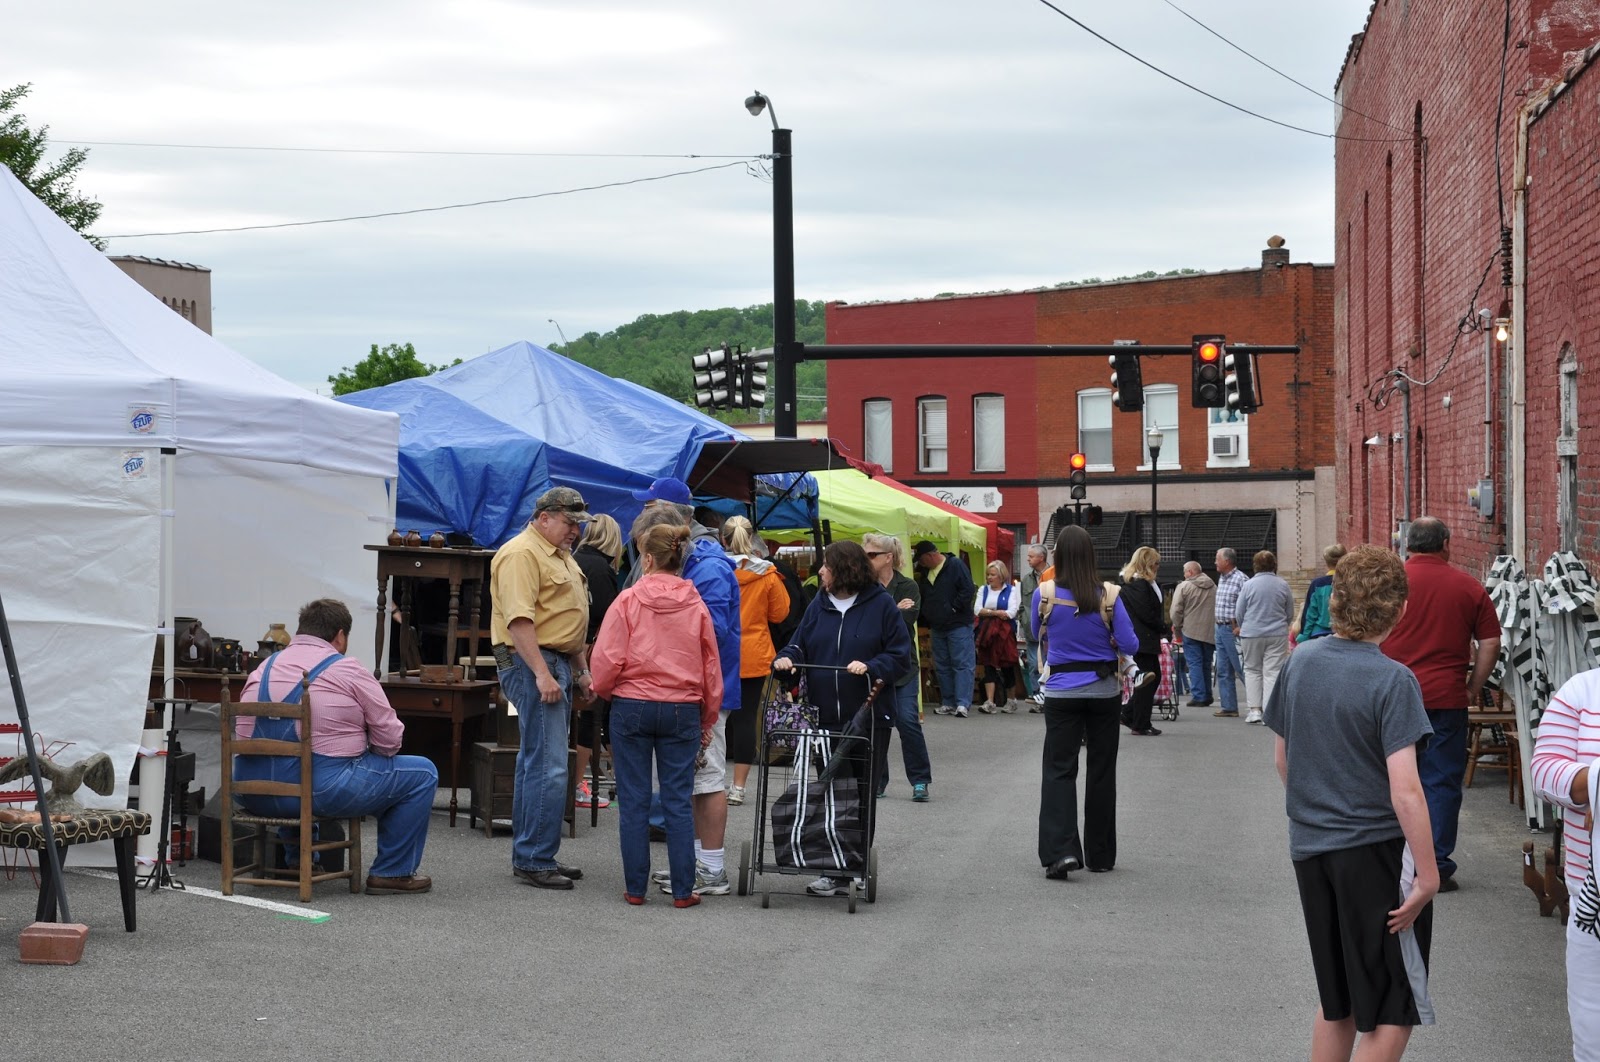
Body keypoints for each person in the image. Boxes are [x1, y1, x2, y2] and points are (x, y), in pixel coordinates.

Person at [1264, 545, 1437, 1061]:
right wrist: (1427, 875)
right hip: (1375, 855)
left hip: (1310, 847)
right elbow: (1405, 789)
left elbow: (1283, 759)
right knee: (1391, 1008)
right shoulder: (1393, 680)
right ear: (1400, 610)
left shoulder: (1301, 662)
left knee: (1337, 1000)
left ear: (1334, 601)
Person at [236, 598, 438, 894]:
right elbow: (391, 740)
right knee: (423, 774)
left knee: (290, 762)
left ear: (300, 630)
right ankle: (392, 872)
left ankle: (297, 863)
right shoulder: (348, 669)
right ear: (340, 636)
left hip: (252, 790)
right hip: (319, 791)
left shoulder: (263, 668)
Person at [590, 522, 723, 908]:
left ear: (647, 558)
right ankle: (683, 890)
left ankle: (635, 888)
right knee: (677, 799)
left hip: (632, 704)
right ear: (680, 558)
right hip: (682, 707)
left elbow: (608, 658)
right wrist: (708, 716)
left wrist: (603, 690)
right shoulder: (696, 604)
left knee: (633, 800)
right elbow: (710, 665)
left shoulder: (628, 600)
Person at [774, 540, 914, 897]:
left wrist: (871, 666)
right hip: (825, 716)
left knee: (862, 792)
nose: (820, 571)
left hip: (868, 715)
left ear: (845, 570)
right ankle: (833, 868)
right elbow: (799, 643)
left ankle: (856, 864)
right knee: (834, 790)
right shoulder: (819, 605)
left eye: (826, 566)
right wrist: (787, 659)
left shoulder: (881, 604)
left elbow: (900, 656)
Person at [1380, 517, 1501, 892]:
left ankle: (1390, 858)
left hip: (1390, 696)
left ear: (1408, 545)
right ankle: (1435, 863)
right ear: (1446, 543)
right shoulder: (1468, 587)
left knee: (1389, 777)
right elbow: (1491, 644)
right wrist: (1471, 687)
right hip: (1445, 697)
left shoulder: (1389, 584)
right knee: (1441, 781)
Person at [630, 497, 742, 899]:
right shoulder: (700, 563)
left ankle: (712, 868)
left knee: (708, 777)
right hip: (688, 689)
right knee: (693, 780)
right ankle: (698, 863)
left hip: (703, 691)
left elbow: (714, 634)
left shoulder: (708, 566)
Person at [491, 485, 591, 891]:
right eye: (569, 523)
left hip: (548, 660)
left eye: (578, 524)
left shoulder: (554, 554)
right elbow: (519, 622)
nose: (575, 531)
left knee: (538, 759)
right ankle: (535, 857)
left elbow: (567, 621)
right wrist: (541, 674)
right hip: (533, 660)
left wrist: (579, 669)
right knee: (549, 762)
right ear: (544, 517)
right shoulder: (521, 553)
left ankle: (532, 853)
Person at [1032, 525, 1138, 879]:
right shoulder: (1109, 594)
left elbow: (1036, 633)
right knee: (1102, 770)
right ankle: (1101, 854)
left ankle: (1060, 853)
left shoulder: (1044, 592)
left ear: (1057, 555)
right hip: (1103, 690)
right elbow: (1130, 644)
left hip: (1061, 692)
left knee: (1059, 770)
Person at [1531, 664, 1600, 1057]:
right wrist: (1594, 781)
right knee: (1592, 1022)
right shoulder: (1582, 691)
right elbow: (1543, 770)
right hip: (1591, 891)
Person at [720, 515, 790, 806]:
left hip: (719, 651)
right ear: (752, 540)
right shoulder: (768, 574)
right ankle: (738, 787)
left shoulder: (713, 569)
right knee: (746, 719)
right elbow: (780, 614)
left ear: (723, 539)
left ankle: (709, 782)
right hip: (754, 652)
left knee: (714, 719)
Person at [864, 532, 932, 802]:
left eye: (871, 555)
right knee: (876, 725)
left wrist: (886, 613)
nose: (866, 559)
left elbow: (905, 622)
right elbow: (869, 624)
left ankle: (920, 780)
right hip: (874, 667)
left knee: (907, 722)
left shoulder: (908, 586)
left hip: (903, 668)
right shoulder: (865, 586)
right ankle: (878, 781)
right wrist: (894, 609)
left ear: (888, 557)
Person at [573, 513, 623, 810]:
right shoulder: (602, 569)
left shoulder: (574, 560)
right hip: (592, 650)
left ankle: (578, 780)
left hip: (573, 647)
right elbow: (607, 617)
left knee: (585, 715)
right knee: (593, 715)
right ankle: (578, 782)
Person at [914, 540, 977, 718]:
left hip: (958, 623)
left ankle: (962, 703)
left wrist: (954, 608)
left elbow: (967, 589)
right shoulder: (926, 571)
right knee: (942, 665)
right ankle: (948, 702)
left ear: (931, 555)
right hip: (937, 624)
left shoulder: (955, 565)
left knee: (962, 663)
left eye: (922, 559)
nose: (921, 563)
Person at [1237, 549, 1295, 726]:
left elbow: (1239, 611)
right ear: (1274, 565)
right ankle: (1270, 712)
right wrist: (1283, 624)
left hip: (1251, 632)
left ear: (1255, 566)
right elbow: (1289, 611)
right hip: (1276, 632)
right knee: (1273, 672)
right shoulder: (1282, 584)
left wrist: (1244, 625)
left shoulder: (1248, 585)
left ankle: (1254, 710)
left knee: (1252, 670)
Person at [1117, 546, 1167, 736]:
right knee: (1148, 680)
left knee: (1151, 679)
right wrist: (1162, 627)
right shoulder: (1139, 585)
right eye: (1156, 563)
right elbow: (1146, 613)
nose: (1158, 566)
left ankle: (1130, 714)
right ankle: (1140, 722)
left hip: (1143, 637)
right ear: (1148, 564)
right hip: (1142, 639)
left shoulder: (1136, 583)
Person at [975, 560, 1022, 713]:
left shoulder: (1012, 590)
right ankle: (989, 701)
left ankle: (1011, 700)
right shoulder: (983, 590)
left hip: (1005, 633)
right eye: (988, 574)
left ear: (1001, 576)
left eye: (993, 575)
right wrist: (996, 613)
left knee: (1007, 664)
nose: (989, 577)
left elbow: (1011, 612)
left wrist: (988, 611)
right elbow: (977, 610)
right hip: (987, 631)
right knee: (988, 665)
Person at [1169, 561, 1217, 708]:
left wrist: (1177, 627)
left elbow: (1176, 610)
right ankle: (1208, 694)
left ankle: (1199, 696)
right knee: (1206, 664)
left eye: (1185, 572)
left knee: (1194, 663)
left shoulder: (1184, 586)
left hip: (1190, 630)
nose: (1184, 575)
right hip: (1210, 631)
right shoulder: (1213, 586)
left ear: (1190, 572)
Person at [1212, 547, 1250, 719]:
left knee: (1241, 668)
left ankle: (1258, 704)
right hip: (1219, 627)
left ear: (1226, 561)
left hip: (1232, 629)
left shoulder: (1241, 579)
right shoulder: (1222, 578)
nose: (1215, 562)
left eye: (1217, 559)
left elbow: (1249, 604)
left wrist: (1242, 626)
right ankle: (1229, 706)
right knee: (1223, 669)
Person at [1294, 544, 1347, 645]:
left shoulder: (1317, 584)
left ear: (1326, 562)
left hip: (1319, 634)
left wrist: (1304, 637)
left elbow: (1310, 613)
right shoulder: (1350, 582)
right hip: (1344, 633)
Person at [1019, 544, 1049, 710]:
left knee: (1049, 663)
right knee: (1033, 664)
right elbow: (1023, 603)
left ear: (1041, 558)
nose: (1028, 559)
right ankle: (1038, 698)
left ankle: (1049, 697)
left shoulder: (1054, 575)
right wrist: (1023, 620)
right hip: (1032, 628)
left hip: (1050, 628)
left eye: (1031, 556)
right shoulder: (1026, 579)